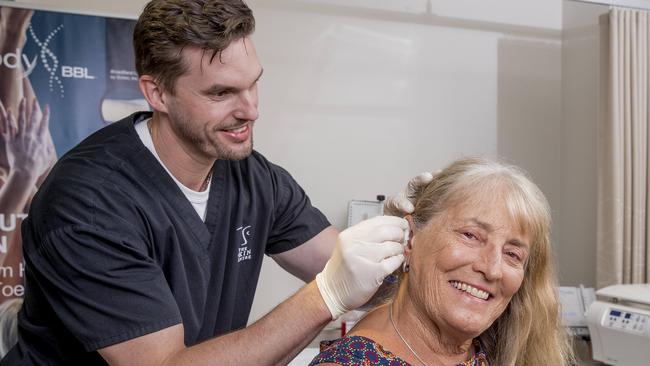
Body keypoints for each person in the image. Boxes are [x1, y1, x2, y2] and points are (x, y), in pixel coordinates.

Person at [1, 1, 427, 365]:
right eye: (221, 93)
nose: (251, 111)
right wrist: (326, 296)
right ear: (157, 93)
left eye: (253, 84)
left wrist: (395, 245)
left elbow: (355, 277)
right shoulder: (87, 206)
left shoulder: (254, 178)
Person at [310, 157, 575, 366]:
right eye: (470, 235)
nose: (492, 269)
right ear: (410, 237)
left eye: (512, 254)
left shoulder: (496, 351)